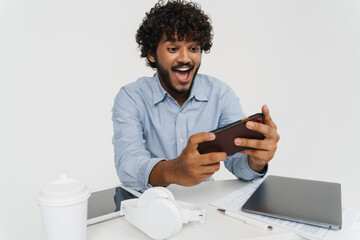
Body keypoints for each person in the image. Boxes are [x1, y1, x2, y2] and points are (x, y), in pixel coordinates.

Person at [112, 0, 280, 192]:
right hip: (148, 205)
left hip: (203, 204)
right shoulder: (131, 97)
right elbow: (127, 166)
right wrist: (172, 171)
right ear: (151, 54)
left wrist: (256, 161)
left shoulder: (220, 93)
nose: (185, 58)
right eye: (173, 49)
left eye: (193, 48)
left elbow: (237, 163)